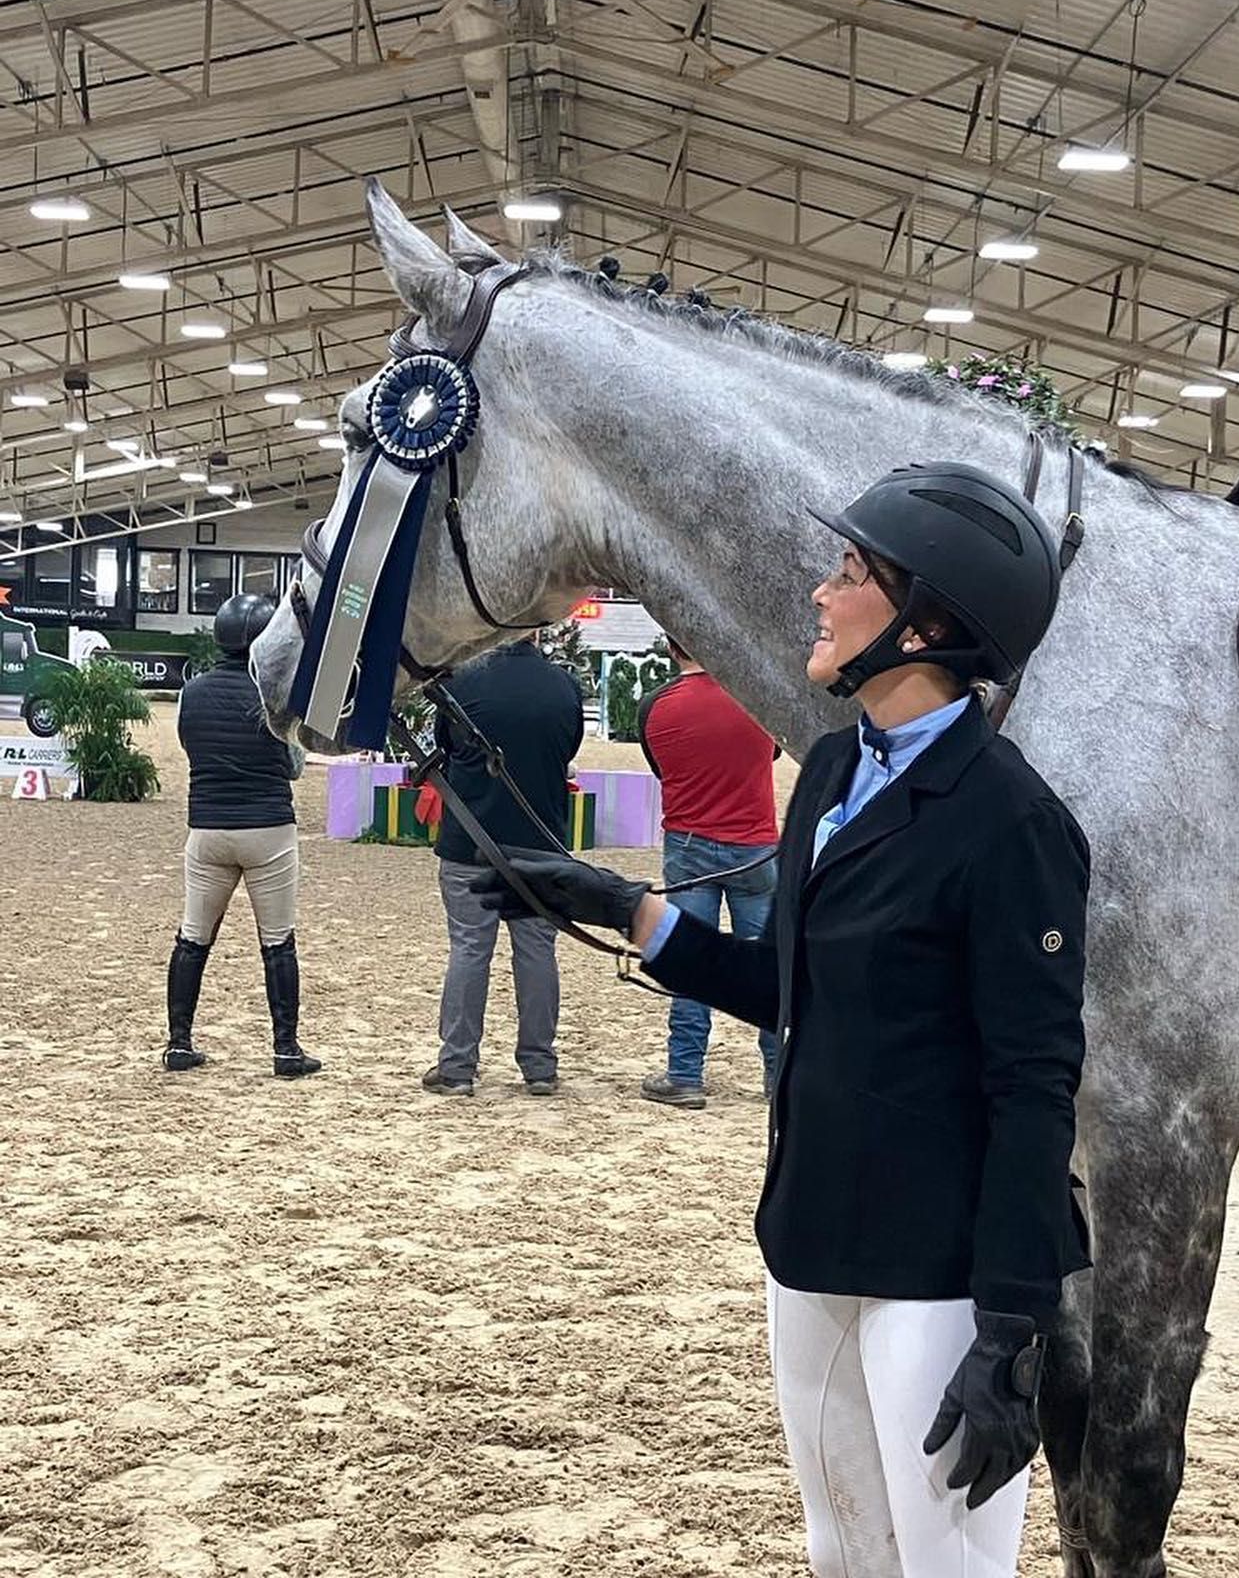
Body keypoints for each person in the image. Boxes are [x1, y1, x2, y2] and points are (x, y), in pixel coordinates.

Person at [469, 463, 1091, 1578]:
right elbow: (793, 995)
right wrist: (622, 908)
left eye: (850, 572)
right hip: (808, 1236)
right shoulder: (833, 771)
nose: (818, 590)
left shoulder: (1012, 822)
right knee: (837, 1549)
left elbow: (1032, 1083)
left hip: (940, 1273)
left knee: (945, 1566)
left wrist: (1011, 1326)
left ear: (926, 624)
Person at [165, 592, 319, 1078]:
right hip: (267, 830)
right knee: (277, 941)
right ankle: (286, 1049)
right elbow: (294, 766)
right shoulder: (275, 692)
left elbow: (190, 746)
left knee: (193, 937)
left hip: (207, 829)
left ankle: (178, 1042)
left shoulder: (191, 692)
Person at [423, 632, 584, 1098]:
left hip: (471, 840)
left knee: (469, 948)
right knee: (537, 950)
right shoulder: (563, 686)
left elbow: (448, 747)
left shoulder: (462, 682)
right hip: (542, 838)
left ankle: (457, 1065)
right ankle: (539, 1065)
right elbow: (567, 750)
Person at [636, 637, 779, 1107]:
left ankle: (685, 1072)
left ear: (673, 651)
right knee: (772, 965)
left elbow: (662, 768)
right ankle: (779, 1078)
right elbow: (772, 754)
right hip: (755, 844)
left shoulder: (655, 708)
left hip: (690, 842)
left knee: (689, 960)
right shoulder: (756, 700)